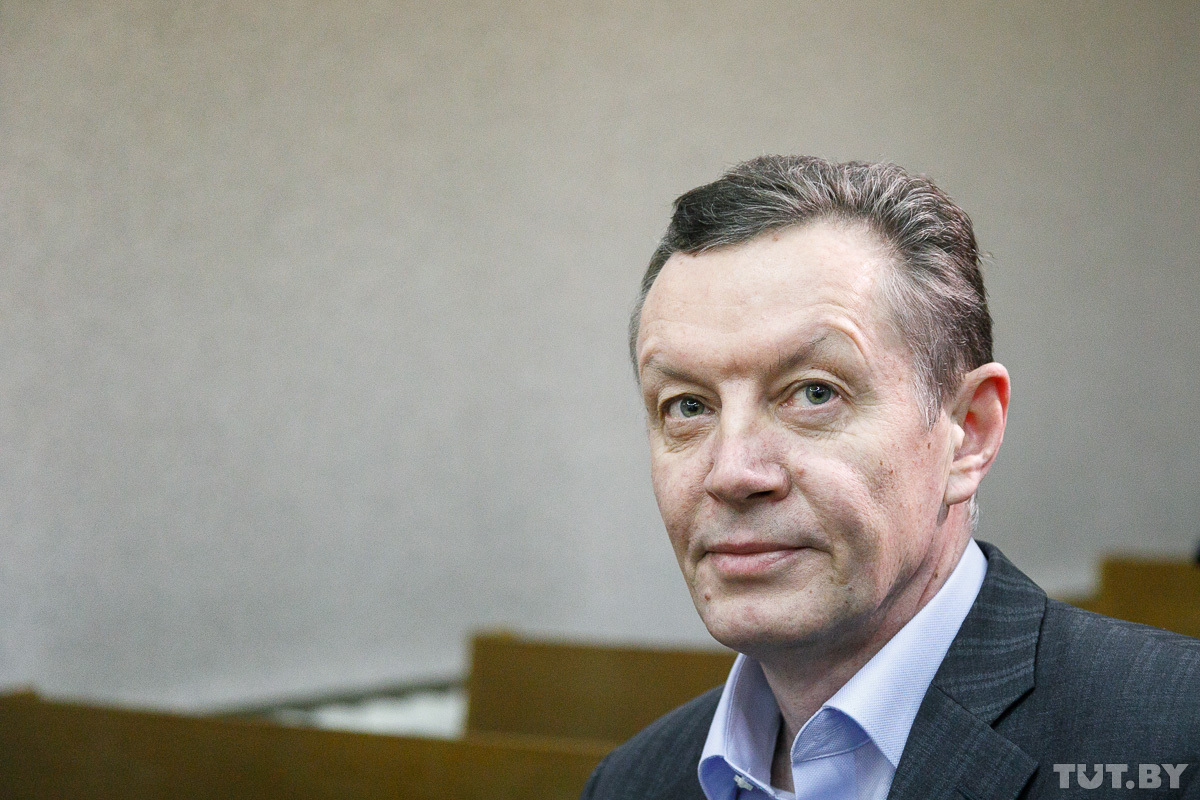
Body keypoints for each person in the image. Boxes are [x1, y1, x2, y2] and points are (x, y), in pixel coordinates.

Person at [582, 156, 1200, 800]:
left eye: (815, 392)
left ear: (968, 432)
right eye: (687, 406)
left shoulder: (1177, 740)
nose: (733, 472)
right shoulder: (632, 783)